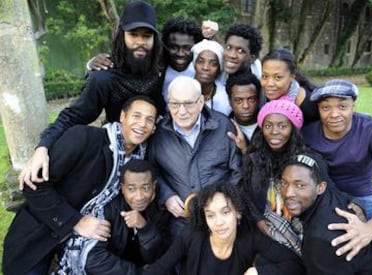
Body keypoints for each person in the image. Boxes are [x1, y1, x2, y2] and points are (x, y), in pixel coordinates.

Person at [3, 95, 158, 275]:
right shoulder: (83, 138)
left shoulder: (141, 161)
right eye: (136, 116)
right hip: (40, 238)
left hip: (96, 244)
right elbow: (34, 187)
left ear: (154, 127)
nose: (142, 124)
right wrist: (76, 221)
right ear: (122, 116)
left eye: (149, 119)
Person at [20, 0, 164, 188]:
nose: (140, 42)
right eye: (133, 34)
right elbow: (73, 116)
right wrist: (42, 148)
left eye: (146, 36)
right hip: (117, 154)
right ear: (122, 36)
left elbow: (188, 49)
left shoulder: (161, 66)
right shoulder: (104, 78)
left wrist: (207, 35)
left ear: (155, 39)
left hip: (158, 149)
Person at [301, 79, 372, 274]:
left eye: (342, 106)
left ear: (354, 106)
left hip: (367, 200)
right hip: (324, 201)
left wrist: (371, 228)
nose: (334, 114)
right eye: (326, 107)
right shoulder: (308, 135)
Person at [142, 182, 305, 275]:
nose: (218, 222)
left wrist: (259, 272)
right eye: (211, 215)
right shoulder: (191, 235)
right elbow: (160, 267)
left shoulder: (250, 236)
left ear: (238, 213)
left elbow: (294, 264)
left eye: (225, 212)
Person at [148, 76, 242, 236]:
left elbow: (238, 171)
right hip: (181, 223)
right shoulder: (159, 133)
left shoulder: (223, 125)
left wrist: (224, 205)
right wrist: (166, 196)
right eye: (175, 104)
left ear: (200, 102)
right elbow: (152, 171)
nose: (182, 111)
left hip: (221, 222)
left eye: (188, 103)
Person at [280, 152, 372, 274]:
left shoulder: (320, 239)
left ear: (321, 187)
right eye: (284, 183)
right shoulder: (332, 197)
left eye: (300, 185)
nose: (288, 193)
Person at [241, 99, 308, 255]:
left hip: (298, 227)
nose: (274, 131)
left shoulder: (305, 160)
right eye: (268, 125)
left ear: (293, 129)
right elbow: (245, 195)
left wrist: (354, 203)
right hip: (264, 228)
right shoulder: (253, 159)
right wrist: (258, 220)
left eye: (282, 126)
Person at [82, 159, 171, 274]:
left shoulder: (160, 210)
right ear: (122, 188)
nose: (139, 197)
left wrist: (145, 228)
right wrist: (136, 273)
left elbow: (157, 257)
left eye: (145, 188)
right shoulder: (108, 209)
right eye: (131, 189)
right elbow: (93, 260)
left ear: (154, 186)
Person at [261, 48, 319, 125]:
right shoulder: (264, 98)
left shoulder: (310, 105)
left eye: (278, 77)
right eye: (265, 76)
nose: (269, 83)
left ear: (292, 77)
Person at [191, 39, 232, 115]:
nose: (205, 67)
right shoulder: (182, 89)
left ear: (219, 69)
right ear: (194, 64)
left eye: (213, 64)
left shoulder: (225, 98)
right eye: (200, 62)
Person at [225, 71, 261, 153]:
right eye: (239, 100)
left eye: (251, 99)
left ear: (258, 99)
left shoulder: (268, 126)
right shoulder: (224, 128)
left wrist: (245, 149)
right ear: (230, 101)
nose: (246, 106)